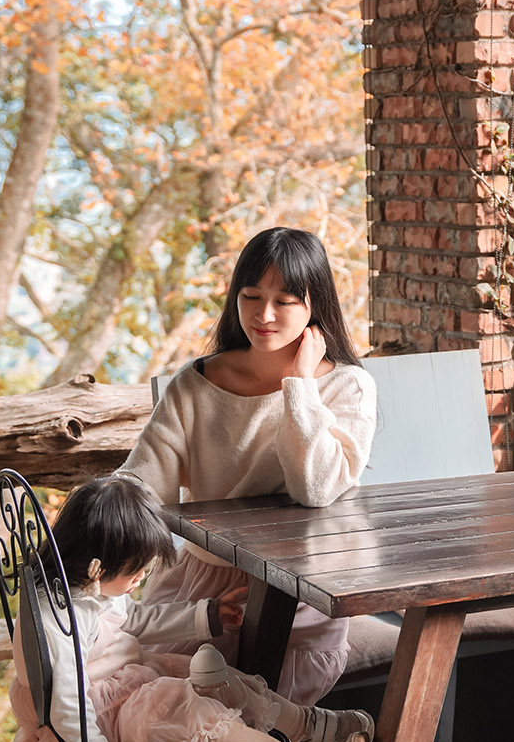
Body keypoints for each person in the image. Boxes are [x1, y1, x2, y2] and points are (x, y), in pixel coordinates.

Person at [0, 474, 372, 742]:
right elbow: (65, 699)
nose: (140, 578)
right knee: (186, 706)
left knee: (211, 672)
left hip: (121, 690)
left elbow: (135, 620)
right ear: (97, 567)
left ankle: (309, 727)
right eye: (135, 570)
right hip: (89, 722)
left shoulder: (87, 585)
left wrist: (207, 614)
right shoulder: (53, 617)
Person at [120, 226, 377, 708]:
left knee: (258, 716)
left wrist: (300, 384)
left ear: (315, 305)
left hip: (303, 592)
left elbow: (316, 487)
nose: (264, 315)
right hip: (202, 582)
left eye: (285, 301)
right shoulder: (195, 383)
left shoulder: (348, 386)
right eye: (251, 296)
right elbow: (144, 482)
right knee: (163, 707)